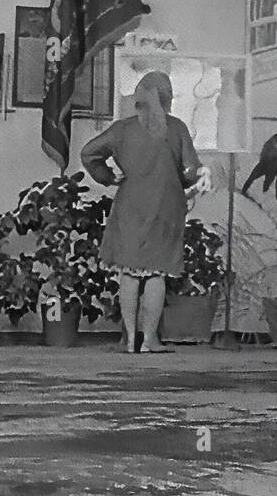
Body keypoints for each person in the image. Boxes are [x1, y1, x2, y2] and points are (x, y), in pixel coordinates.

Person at [80, 71, 199, 354]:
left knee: (130, 272)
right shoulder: (177, 128)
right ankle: (150, 340)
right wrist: (182, 181)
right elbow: (191, 169)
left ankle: (130, 338)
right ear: (167, 98)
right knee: (157, 273)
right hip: (165, 206)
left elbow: (88, 153)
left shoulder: (122, 130)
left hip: (130, 204)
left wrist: (107, 176)